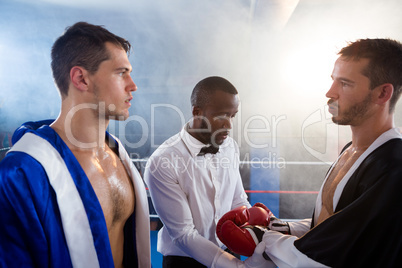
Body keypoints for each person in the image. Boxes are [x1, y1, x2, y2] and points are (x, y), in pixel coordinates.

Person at [218, 38, 402, 267]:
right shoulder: (351, 151)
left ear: (383, 93)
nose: (330, 92)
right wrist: (284, 227)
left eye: (345, 84)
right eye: (333, 80)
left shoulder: (393, 165)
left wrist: (265, 238)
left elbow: (338, 251)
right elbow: (330, 227)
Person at [0, 22, 151, 268]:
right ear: (81, 78)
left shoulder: (118, 154)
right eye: (121, 72)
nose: (133, 85)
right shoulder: (20, 172)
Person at [144, 76, 273, 268]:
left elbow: (238, 200)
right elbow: (183, 234)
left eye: (232, 116)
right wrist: (238, 267)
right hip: (184, 261)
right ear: (197, 112)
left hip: (229, 251)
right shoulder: (162, 161)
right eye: (221, 116)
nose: (229, 125)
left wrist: (263, 239)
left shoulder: (230, 147)